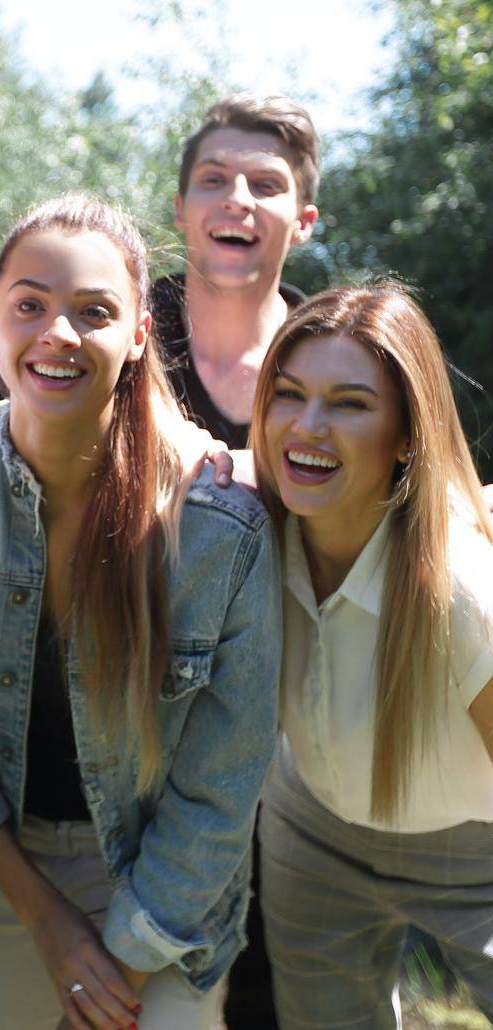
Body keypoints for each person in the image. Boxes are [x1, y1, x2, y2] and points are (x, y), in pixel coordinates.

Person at [0, 195, 281, 1029]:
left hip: (172, 886)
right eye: (31, 305)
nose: (58, 332)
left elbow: (221, 789)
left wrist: (112, 966)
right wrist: (46, 923)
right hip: (10, 869)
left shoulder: (217, 527)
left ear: (137, 337)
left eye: (93, 312)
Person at [247, 281, 493, 1028]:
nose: (309, 428)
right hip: (311, 831)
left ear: (408, 433)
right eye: (289, 394)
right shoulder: (244, 529)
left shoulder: (460, 589)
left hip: (476, 854)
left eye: (351, 404)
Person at [0, 92, 319, 453]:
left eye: (266, 185)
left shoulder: (330, 354)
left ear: (304, 221)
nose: (236, 199)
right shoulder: (108, 327)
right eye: (214, 179)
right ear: (181, 207)